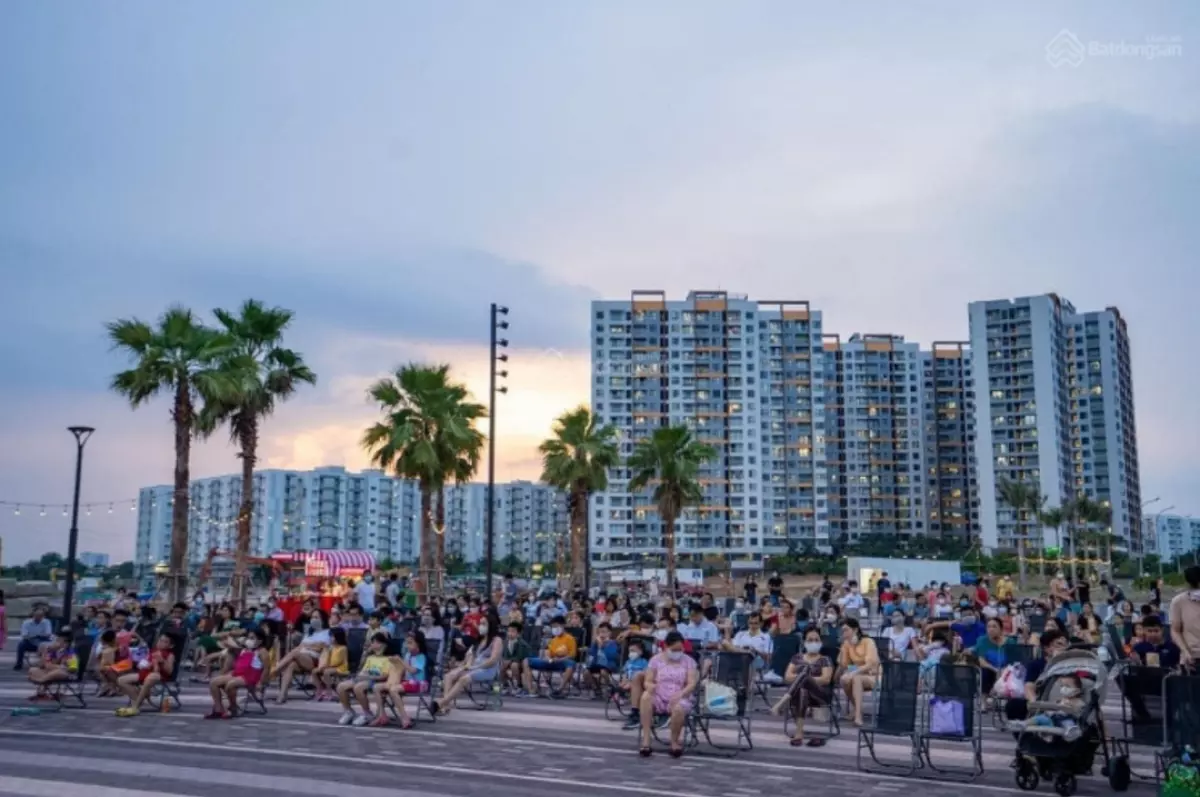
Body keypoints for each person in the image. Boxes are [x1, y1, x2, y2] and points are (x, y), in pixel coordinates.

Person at [638, 631, 699, 758]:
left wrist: (681, 694)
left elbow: (691, 683)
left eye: (680, 649)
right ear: (666, 646)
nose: (677, 652)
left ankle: (674, 742)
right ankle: (646, 739)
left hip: (680, 695)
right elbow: (648, 680)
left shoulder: (689, 661)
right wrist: (650, 686)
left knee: (679, 708)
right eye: (674, 649)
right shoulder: (655, 660)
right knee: (645, 697)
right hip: (659, 694)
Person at [773, 627, 834, 747]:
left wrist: (807, 679)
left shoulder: (825, 659)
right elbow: (787, 676)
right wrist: (803, 680)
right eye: (810, 640)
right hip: (799, 694)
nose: (813, 642)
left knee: (804, 678)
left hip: (819, 695)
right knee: (802, 690)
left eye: (816, 640)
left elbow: (826, 679)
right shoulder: (797, 657)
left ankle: (781, 703)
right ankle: (799, 732)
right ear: (805, 642)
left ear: (821, 642)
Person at [433, 613, 503, 715]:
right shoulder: (479, 640)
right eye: (480, 624)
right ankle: (446, 706)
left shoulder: (497, 640)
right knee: (449, 676)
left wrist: (475, 666)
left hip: (487, 669)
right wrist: (466, 665)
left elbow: (493, 660)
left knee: (463, 678)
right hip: (474, 667)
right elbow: (471, 656)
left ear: (490, 625)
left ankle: (441, 703)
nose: (480, 626)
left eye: (483, 624)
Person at [206, 628, 268, 719]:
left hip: (250, 676)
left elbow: (267, 669)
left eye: (252, 638)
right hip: (237, 674)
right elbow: (230, 644)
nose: (249, 640)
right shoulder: (244, 649)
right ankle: (218, 709)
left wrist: (261, 683)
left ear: (259, 641)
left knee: (231, 684)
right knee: (214, 682)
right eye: (248, 638)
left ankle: (233, 707)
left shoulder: (262, 652)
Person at [115, 632, 176, 717]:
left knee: (151, 677)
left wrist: (162, 661)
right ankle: (137, 699)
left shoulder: (170, 655)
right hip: (146, 672)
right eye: (160, 640)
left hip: (159, 675)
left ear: (170, 645)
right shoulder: (153, 651)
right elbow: (147, 663)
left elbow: (169, 671)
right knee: (121, 680)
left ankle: (135, 706)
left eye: (165, 642)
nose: (161, 643)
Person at [837, 618, 879, 726]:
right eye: (842, 631)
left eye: (846, 630)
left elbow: (871, 664)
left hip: (873, 675)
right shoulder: (847, 644)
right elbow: (844, 665)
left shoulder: (868, 641)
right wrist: (842, 650)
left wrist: (853, 672)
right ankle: (858, 709)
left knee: (855, 678)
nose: (844, 633)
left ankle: (858, 716)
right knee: (844, 680)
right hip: (857, 674)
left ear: (855, 630)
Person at [525, 615, 578, 697]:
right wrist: (547, 658)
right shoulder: (553, 640)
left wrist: (560, 659)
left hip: (562, 662)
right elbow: (548, 653)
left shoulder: (570, 639)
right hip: (551, 662)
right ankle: (530, 689)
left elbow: (572, 655)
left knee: (570, 663)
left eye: (556, 626)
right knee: (526, 661)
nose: (554, 629)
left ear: (562, 625)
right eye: (553, 627)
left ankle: (560, 689)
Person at [27, 629, 78, 696]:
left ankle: (42, 681)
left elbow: (73, 668)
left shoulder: (70, 653)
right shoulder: (53, 651)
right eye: (56, 640)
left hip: (64, 673)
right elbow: (42, 665)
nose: (56, 642)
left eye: (59, 640)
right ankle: (43, 682)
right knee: (32, 670)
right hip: (49, 672)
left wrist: (59, 667)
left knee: (58, 672)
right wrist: (46, 651)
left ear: (66, 643)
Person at [1169, 565, 1200, 669]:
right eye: (1194, 586)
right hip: (1191, 658)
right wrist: (1185, 651)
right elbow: (1175, 630)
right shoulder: (1178, 602)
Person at [14, 606, 53, 671]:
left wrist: (37, 635)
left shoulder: (46, 622)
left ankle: (45, 664)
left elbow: (48, 634)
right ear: (33, 615)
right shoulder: (26, 623)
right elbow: (25, 635)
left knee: (48, 644)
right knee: (21, 644)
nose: (39, 618)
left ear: (43, 616)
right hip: (30, 641)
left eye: (41, 616)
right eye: (37, 616)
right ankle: (19, 664)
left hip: (42, 641)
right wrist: (36, 636)